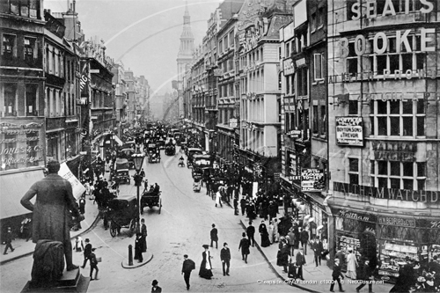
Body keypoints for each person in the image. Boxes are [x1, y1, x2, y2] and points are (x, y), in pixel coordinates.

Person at [21, 160, 84, 271]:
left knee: (43, 243)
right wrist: (77, 215)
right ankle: (69, 265)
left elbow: (24, 200)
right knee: (66, 242)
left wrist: (36, 209)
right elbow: (71, 203)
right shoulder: (65, 183)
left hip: (43, 220)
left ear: (47, 169)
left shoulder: (38, 183)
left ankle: (42, 268)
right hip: (60, 219)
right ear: (58, 169)